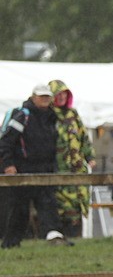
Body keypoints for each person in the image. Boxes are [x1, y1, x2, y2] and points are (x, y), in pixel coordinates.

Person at [0, 84, 71, 247]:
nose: (45, 99)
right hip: (23, 169)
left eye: (47, 96)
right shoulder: (22, 115)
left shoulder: (52, 117)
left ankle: (54, 237)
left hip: (45, 169)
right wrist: (8, 164)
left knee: (48, 204)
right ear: (33, 97)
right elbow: (6, 142)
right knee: (19, 208)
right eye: (42, 96)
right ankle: (11, 242)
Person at [48, 79, 96, 238]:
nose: (61, 97)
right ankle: (59, 236)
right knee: (60, 205)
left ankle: (76, 236)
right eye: (58, 94)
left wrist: (90, 156)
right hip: (56, 169)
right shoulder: (48, 116)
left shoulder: (73, 114)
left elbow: (83, 138)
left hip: (76, 170)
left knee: (77, 204)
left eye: (64, 94)